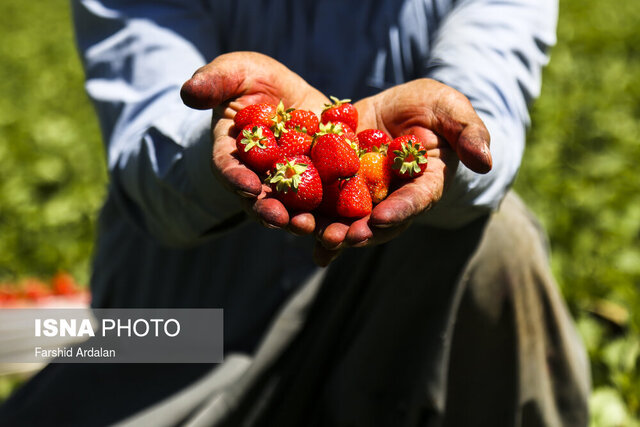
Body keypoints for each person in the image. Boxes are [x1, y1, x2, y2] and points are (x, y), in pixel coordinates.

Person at [0, 0, 590, 425]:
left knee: (499, 239)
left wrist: (441, 153)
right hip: (186, 334)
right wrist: (220, 149)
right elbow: (145, 156)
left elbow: (490, 118)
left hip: (386, 330)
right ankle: (62, 336)